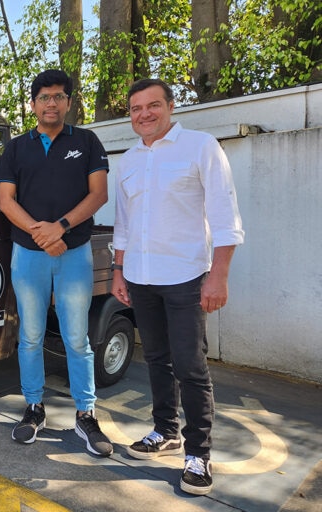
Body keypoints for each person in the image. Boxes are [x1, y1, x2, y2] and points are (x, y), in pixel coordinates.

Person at [111, 78, 244, 495]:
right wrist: (119, 271)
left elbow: (225, 216)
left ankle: (198, 453)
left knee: (190, 365)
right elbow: (124, 224)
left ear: (170, 107)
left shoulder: (201, 147)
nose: (144, 114)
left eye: (152, 105)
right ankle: (165, 431)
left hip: (186, 277)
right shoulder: (129, 160)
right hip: (140, 276)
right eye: (136, 108)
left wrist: (218, 275)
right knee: (155, 359)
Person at [0, 69, 113, 457]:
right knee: (30, 336)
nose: (51, 103)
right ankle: (34, 408)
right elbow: (6, 201)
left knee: (76, 338)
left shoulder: (87, 141)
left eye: (59, 96)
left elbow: (98, 195)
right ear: (33, 104)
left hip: (73, 252)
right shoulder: (16, 148)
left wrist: (60, 228)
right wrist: (42, 235)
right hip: (29, 254)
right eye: (44, 97)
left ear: (68, 102)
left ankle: (86, 414)